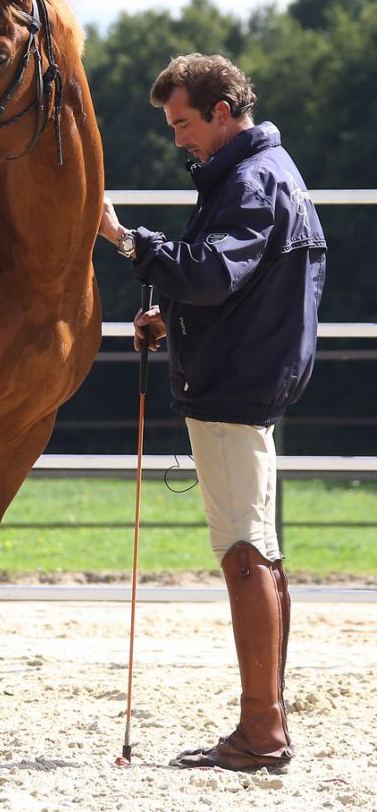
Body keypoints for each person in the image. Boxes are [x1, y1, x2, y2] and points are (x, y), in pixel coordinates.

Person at [98, 53, 327, 771]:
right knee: (260, 550)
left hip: (234, 392)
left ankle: (262, 732)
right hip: (242, 382)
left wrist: (125, 240)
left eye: (184, 124)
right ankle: (265, 722)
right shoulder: (256, 175)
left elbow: (208, 270)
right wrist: (171, 319)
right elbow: (231, 286)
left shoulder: (253, 182)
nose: (178, 141)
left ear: (223, 113)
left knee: (243, 552)